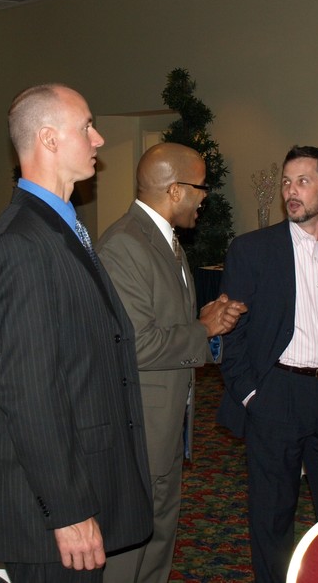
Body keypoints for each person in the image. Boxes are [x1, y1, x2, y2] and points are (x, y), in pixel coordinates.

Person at [0, 84, 153, 582]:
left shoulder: (61, 225)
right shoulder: (23, 242)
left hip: (85, 480)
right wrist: (68, 510)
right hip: (51, 512)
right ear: (49, 139)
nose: (98, 139)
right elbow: (30, 392)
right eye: (87, 126)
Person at [217, 145, 318, 583]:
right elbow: (231, 332)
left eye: (303, 182)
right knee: (272, 516)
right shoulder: (252, 250)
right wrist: (251, 395)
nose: (291, 191)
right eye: (287, 182)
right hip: (277, 395)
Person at [96, 142, 248, 583]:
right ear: (175, 190)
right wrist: (202, 329)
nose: (206, 198)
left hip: (163, 424)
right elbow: (134, 345)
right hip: (138, 427)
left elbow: (164, 325)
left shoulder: (164, 239)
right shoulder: (125, 245)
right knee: (129, 549)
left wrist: (206, 324)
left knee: (159, 538)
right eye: (201, 188)